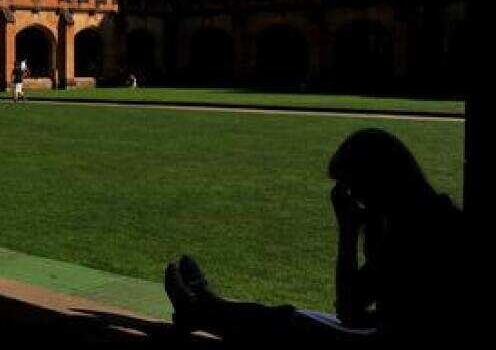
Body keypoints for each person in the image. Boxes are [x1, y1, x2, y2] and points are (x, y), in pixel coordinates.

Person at [163, 128, 468, 345]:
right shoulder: (423, 215)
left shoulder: (420, 227)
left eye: (356, 188)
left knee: (290, 323)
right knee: (295, 317)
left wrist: (348, 232)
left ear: (378, 179)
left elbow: (349, 310)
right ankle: (205, 306)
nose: (357, 199)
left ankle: (200, 310)